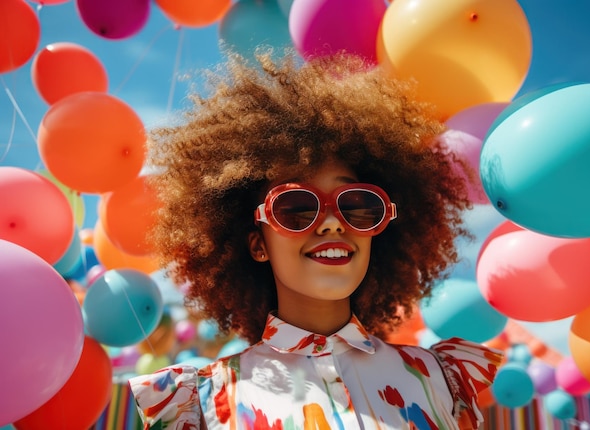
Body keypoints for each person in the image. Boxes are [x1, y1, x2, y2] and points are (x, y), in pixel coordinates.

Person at [128, 50, 503, 430]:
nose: (330, 224)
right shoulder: (200, 404)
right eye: (296, 207)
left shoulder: (441, 380)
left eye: (357, 205)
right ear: (258, 244)